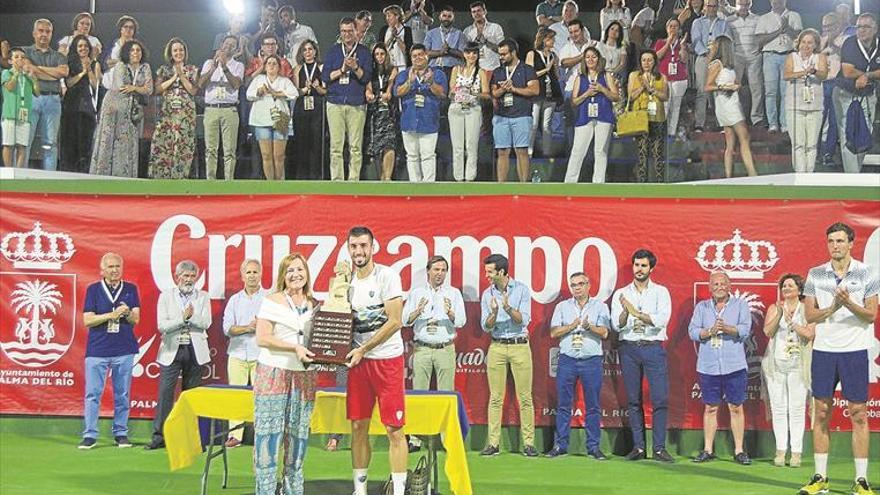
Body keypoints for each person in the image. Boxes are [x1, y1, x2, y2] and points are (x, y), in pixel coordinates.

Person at [799, 222, 878, 495]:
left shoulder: (867, 273)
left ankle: (861, 480)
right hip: (824, 352)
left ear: (851, 243)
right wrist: (833, 306)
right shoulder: (815, 274)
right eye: (831, 241)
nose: (835, 245)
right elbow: (810, 315)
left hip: (855, 351)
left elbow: (871, 315)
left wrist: (849, 304)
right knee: (820, 412)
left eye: (840, 241)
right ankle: (820, 477)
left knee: (858, 414)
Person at [343, 226, 407, 495]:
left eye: (363, 246)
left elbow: (394, 321)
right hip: (358, 365)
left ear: (373, 247)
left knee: (394, 429)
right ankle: (360, 490)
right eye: (354, 246)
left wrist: (364, 348)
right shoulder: (345, 283)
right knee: (358, 426)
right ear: (349, 249)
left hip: (387, 361)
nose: (359, 251)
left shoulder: (388, 276)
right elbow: (340, 321)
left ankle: (400, 490)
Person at [252, 253, 318, 495]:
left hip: (304, 377)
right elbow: (263, 338)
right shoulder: (271, 301)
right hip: (273, 373)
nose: (295, 274)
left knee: (298, 440)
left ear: (307, 273)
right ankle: (266, 491)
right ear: (283, 275)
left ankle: (293, 491)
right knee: (268, 438)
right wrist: (294, 347)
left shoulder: (314, 304)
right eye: (290, 270)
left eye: (300, 269)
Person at [611, 249, 674, 463]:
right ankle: (638, 448)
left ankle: (658, 448)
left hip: (653, 347)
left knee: (659, 399)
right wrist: (625, 312)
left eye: (643, 265)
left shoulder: (661, 292)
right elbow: (616, 324)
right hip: (628, 348)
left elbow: (662, 319)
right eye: (636, 265)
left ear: (651, 268)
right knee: (633, 400)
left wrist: (637, 313)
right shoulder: (622, 293)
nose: (639, 269)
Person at [401, 255, 466, 451]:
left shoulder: (453, 293)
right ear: (428, 271)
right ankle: (415, 439)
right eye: (436, 270)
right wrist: (417, 311)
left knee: (446, 396)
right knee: (418, 395)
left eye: (443, 270)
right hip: (421, 348)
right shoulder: (417, 293)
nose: (440, 273)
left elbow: (461, 321)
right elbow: (405, 320)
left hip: (444, 348)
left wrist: (450, 313)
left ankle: (447, 439)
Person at [145, 260, 212, 451]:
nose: (189, 280)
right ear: (177, 277)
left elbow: (206, 322)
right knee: (165, 394)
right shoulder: (166, 296)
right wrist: (182, 319)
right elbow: (162, 326)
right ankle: (159, 437)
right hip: (171, 350)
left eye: (192, 276)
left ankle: (191, 438)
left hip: (195, 350)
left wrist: (191, 318)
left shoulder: (203, 297)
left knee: (191, 397)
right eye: (185, 276)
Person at [688, 271, 752, 466]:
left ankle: (739, 450)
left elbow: (745, 330)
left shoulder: (740, 305)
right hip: (708, 366)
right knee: (710, 407)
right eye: (715, 284)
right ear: (709, 287)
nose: (719, 287)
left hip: (734, 365)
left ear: (729, 285)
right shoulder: (702, 308)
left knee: (736, 407)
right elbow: (692, 331)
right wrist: (709, 331)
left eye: (722, 283)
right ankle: (708, 449)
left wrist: (727, 329)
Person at [544, 272, 610, 460]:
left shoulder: (600, 307)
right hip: (568, 360)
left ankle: (594, 447)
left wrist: (590, 328)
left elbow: (605, 332)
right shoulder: (562, 307)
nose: (577, 288)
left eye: (581, 284)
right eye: (573, 285)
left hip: (591, 361)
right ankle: (560, 445)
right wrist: (572, 326)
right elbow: (554, 332)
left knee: (593, 406)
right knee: (563, 405)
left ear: (589, 285)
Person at [78, 253, 140, 450]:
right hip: (98, 349)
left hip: (124, 348)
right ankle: (90, 434)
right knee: (92, 394)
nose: (115, 270)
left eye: (118, 266)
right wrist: (111, 315)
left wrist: (127, 312)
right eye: (111, 266)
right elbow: (88, 320)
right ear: (102, 270)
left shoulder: (130, 289)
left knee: (122, 394)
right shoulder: (93, 290)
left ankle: (121, 433)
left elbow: (135, 319)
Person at [479, 253, 537, 457]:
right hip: (496, 346)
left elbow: (523, 320)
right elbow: (485, 326)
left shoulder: (521, 290)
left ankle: (529, 443)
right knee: (495, 398)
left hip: (520, 345)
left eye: (489, 271)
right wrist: (494, 314)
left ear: (501, 272)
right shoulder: (487, 294)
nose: (486, 275)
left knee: (525, 397)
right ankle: (493, 443)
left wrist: (507, 308)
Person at [761, 274, 814, 468]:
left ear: (799, 290)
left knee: (797, 409)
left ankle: (797, 452)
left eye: (790, 286)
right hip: (775, 365)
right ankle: (781, 450)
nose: (786, 289)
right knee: (779, 408)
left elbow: (810, 334)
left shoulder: (807, 308)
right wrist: (780, 315)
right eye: (784, 286)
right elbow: (768, 331)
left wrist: (793, 324)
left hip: (799, 364)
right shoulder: (775, 308)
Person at [89, 40, 153, 178]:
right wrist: (139, 89)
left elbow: (149, 89)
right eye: (132, 50)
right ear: (126, 53)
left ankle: (125, 175)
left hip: (131, 110)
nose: (136, 53)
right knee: (110, 140)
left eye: (138, 50)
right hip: (114, 108)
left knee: (128, 142)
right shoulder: (120, 66)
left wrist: (135, 88)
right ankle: (104, 174)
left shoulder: (145, 67)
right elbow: (121, 87)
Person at [222, 259, 266, 448]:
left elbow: (274, 326)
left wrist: (261, 327)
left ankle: (263, 435)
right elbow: (227, 329)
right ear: (242, 276)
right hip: (238, 354)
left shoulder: (269, 298)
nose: (252, 276)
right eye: (248, 272)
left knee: (263, 397)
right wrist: (248, 328)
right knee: (236, 396)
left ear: (261, 275)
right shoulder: (235, 300)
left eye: (255, 272)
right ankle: (235, 436)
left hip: (261, 354)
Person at [323, 17, 373, 181]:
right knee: (336, 146)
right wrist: (343, 69)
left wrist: (355, 68)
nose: (347, 34)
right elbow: (326, 77)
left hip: (356, 103)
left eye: (350, 31)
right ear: (340, 32)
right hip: (335, 102)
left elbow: (366, 78)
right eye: (343, 31)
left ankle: (353, 181)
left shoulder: (364, 52)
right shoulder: (333, 51)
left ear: (356, 31)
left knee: (355, 147)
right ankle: (337, 181)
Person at [832, 13, 879, 174]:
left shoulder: (878, 45)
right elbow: (848, 71)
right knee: (848, 135)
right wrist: (870, 74)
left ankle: (856, 173)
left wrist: (867, 76)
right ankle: (852, 179)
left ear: (875, 29)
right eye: (859, 26)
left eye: (866, 27)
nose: (862, 30)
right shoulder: (850, 43)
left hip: (868, 95)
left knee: (865, 134)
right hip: (845, 94)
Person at [564, 46, 619, 183]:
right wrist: (586, 94)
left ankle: (598, 183)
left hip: (604, 117)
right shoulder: (580, 77)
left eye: (593, 57)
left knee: (600, 151)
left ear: (598, 59)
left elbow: (615, 97)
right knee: (577, 151)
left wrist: (602, 89)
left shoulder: (606, 76)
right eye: (587, 57)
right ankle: (570, 183)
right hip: (584, 118)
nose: (590, 60)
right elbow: (574, 102)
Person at [705, 35, 757, 177]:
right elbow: (708, 86)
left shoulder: (727, 65)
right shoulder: (717, 64)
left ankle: (728, 176)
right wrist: (724, 87)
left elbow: (731, 82)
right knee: (744, 136)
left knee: (730, 142)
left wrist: (735, 86)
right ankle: (752, 174)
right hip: (726, 104)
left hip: (731, 101)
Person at [395, 44, 448, 182]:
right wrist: (409, 82)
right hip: (409, 121)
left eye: (420, 54)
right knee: (411, 156)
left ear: (426, 56)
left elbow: (442, 94)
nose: (417, 58)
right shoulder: (403, 74)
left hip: (429, 121)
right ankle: (414, 186)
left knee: (428, 155)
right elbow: (397, 92)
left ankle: (428, 187)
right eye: (414, 56)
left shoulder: (437, 74)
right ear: (411, 58)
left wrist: (430, 82)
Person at [148, 38, 198, 180]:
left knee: (183, 143)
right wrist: (173, 77)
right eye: (175, 50)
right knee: (163, 142)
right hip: (167, 112)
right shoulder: (163, 70)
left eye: (181, 50)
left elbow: (193, 91)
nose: (178, 52)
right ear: (170, 53)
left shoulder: (192, 69)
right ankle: (160, 177)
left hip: (185, 113)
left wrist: (181, 76)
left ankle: (180, 177)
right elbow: (157, 89)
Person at [491, 39, 539, 182]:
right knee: (502, 151)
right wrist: (503, 89)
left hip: (522, 116)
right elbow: (494, 93)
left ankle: (523, 186)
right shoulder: (498, 72)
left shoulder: (527, 70)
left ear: (513, 53)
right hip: (501, 116)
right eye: (500, 54)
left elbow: (535, 90)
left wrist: (514, 89)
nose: (501, 57)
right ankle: (501, 187)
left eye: (504, 54)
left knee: (522, 151)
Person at [24, 19, 68, 171]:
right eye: (41, 31)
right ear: (34, 33)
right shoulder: (25, 52)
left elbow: (62, 72)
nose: (44, 34)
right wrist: (52, 73)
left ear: (51, 34)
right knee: (25, 141)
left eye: (47, 31)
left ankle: (50, 180)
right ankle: (20, 177)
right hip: (31, 99)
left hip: (53, 101)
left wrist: (36, 69)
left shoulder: (59, 56)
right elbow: (27, 70)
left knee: (50, 143)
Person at [198, 35, 244, 181]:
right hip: (211, 109)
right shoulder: (208, 63)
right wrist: (214, 66)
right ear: (221, 44)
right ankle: (210, 181)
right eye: (226, 43)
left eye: (232, 45)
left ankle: (228, 182)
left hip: (229, 109)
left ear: (236, 49)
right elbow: (201, 84)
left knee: (229, 150)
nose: (228, 46)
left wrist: (224, 67)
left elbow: (236, 84)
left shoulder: (238, 65)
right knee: (210, 149)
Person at [246, 54, 297, 180]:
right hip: (261, 119)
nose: (272, 66)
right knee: (266, 154)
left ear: (279, 67)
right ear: (265, 66)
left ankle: (280, 182)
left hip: (281, 118)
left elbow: (294, 94)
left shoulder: (284, 81)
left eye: (275, 63)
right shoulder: (259, 79)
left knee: (279, 155)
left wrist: (276, 93)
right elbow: (249, 95)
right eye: (269, 63)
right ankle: (270, 183)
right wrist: (259, 92)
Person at [784, 29, 827, 173]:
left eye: (810, 43)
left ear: (815, 45)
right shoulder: (792, 57)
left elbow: (823, 76)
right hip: (794, 106)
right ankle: (800, 175)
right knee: (798, 144)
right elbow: (787, 75)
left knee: (812, 144)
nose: (806, 45)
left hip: (815, 107)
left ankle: (809, 175)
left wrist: (814, 71)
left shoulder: (820, 57)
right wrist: (804, 72)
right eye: (803, 42)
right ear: (799, 43)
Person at [755, 0, 802, 133]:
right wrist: (779, 31)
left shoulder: (794, 16)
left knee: (786, 92)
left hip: (789, 55)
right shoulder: (764, 18)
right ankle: (773, 124)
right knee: (770, 92)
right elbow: (760, 40)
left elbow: (799, 37)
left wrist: (787, 28)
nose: (777, 2)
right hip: (770, 56)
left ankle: (785, 123)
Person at [448, 42, 488, 182]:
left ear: (477, 55)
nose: (471, 56)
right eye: (468, 53)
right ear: (464, 54)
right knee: (457, 145)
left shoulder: (481, 72)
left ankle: (470, 177)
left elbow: (486, 94)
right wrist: (457, 91)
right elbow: (451, 91)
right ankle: (458, 177)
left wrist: (473, 93)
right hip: (456, 107)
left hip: (473, 108)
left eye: (474, 53)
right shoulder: (456, 69)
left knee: (471, 144)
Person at [60, 35, 100, 174]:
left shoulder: (95, 64)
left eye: (85, 46)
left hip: (87, 107)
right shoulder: (69, 64)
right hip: (71, 105)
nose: (83, 49)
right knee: (70, 139)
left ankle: (85, 170)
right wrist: (82, 72)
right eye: (80, 46)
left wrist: (89, 69)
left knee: (86, 140)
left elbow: (96, 86)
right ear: (75, 49)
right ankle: (68, 170)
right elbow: (69, 83)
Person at [690, 0, 731, 132]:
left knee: (719, 91)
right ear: (705, 6)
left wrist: (717, 55)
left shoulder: (723, 23)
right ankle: (699, 124)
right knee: (701, 91)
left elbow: (727, 40)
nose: (711, 9)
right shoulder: (698, 22)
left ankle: (722, 123)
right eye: (709, 6)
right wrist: (706, 54)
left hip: (719, 60)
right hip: (702, 58)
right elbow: (696, 40)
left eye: (714, 6)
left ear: (717, 7)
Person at [628, 49, 668, 182]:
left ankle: (659, 181)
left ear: (654, 62)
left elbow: (665, 96)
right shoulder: (634, 75)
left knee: (658, 152)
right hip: (641, 118)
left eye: (649, 60)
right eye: (644, 60)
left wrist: (653, 90)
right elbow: (631, 96)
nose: (646, 63)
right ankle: (642, 181)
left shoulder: (661, 77)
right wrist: (642, 88)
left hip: (657, 117)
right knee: (642, 152)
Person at [291, 40, 327, 180]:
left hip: (317, 107)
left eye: (310, 49)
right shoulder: (298, 69)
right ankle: (302, 177)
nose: (308, 52)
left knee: (316, 143)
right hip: (301, 107)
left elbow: (325, 91)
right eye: (305, 50)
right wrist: (304, 89)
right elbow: (294, 92)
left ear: (315, 51)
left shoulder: (321, 67)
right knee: (302, 143)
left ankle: (316, 177)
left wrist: (317, 87)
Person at [525, 27, 562, 157]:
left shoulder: (553, 55)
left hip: (550, 93)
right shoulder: (532, 54)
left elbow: (556, 76)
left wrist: (555, 67)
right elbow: (529, 74)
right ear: (543, 39)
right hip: (536, 93)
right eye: (550, 38)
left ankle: (547, 152)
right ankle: (529, 152)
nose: (553, 41)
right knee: (534, 124)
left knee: (547, 125)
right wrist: (546, 69)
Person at [366, 43, 399, 182]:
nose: (379, 57)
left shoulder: (392, 69)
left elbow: (390, 84)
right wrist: (368, 93)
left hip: (389, 112)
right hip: (375, 112)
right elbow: (367, 88)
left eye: (382, 54)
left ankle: (387, 177)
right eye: (377, 54)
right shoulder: (370, 72)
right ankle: (381, 177)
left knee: (389, 144)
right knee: (376, 147)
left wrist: (388, 92)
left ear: (386, 55)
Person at [726, 0, 764, 126]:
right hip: (737, 56)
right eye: (740, 4)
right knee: (733, 87)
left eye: (746, 4)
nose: (743, 7)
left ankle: (757, 118)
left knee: (756, 88)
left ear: (750, 5)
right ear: (736, 5)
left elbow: (761, 37)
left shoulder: (758, 19)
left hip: (754, 57)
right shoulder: (729, 20)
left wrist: (758, 51)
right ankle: (734, 117)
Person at [2, 48, 39, 168]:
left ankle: (18, 171)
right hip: (10, 113)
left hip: (24, 114)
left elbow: (37, 93)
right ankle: (8, 170)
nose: (20, 59)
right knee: (8, 144)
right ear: (10, 61)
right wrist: (17, 73)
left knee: (22, 145)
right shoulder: (7, 73)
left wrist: (34, 79)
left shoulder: (27, 77)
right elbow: (9, 87)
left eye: (22, 57)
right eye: (16, 57)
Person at [654, 18, 689, 138]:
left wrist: (683, 46)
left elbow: (684, 60)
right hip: (665, 78)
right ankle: (661, 132)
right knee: (665, 105)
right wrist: (668, 42)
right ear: (667, 28)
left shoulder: (681, 43)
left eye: (676, 26)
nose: (673, 28)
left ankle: (671, 133)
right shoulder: (660, 42)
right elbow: (657, 57)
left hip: (679, 79)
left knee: (676, 106)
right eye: (671, 26)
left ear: (679, 29)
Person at [424, 6, 466, 79]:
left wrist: (449, 50)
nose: (446, 18)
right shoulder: (430, 33)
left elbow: (463, 54)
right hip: (434, 68)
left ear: (453, 19)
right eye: (444, 16)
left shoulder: (459, 34)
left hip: (453, 69)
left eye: (449, 16)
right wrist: (440, 52)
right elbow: (425, 52)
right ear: (440, 17)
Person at [463, 2, 504, 72]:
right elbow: (464, 53)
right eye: (474, 12)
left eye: (479, 10)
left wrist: (486, 42)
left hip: (493, 68)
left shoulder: (496, 28)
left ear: (485, 11)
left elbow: (502, 50)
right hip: (474, 70)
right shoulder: (467, 31)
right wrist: (473, 46)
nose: (476, 14)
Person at [380, 5, 414, 71]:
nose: (387, 18)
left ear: (397, 16)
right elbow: (380, 49)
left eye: (389, 15)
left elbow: (408, 50)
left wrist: (397, 37)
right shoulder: (384, 30)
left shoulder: (407, 30)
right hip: (387, 66)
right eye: (386, 16)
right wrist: (391, 38)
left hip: (402, 66)